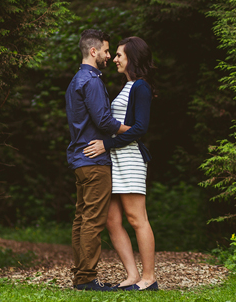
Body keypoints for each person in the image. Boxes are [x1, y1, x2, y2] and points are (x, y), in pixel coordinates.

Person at [84, 36, 159, 291]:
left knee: (137, 218)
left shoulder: (141, 86)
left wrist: (106, 144)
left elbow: (140, 128)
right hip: (115, 159)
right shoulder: (128, 86)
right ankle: (132, 276)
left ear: (132, 58)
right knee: (111, 220)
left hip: (129, 158)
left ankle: (149, 279)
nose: (114, 59)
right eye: (114, 54)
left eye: (119, 55)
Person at [65, 29, 130, 291]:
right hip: (93, 160)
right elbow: (103, 121)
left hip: (80, 158)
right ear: (93, 52)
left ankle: (82, 275)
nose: (108, 56)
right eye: (105, 51)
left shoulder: (75, 80)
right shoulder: (91, 81)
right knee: (92, 220)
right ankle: (86, 278)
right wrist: (133, 129)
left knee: (82, 219)